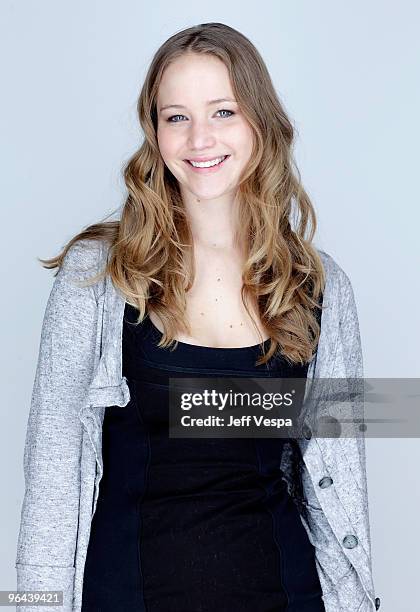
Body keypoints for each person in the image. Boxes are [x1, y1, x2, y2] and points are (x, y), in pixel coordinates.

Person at [15, 22, 380, 612]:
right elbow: (52, 471)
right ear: (154, 131)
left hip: (285, 594)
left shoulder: (322, 285)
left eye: (223, 111)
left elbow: (341, 478)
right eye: (176, 116)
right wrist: (27, 606)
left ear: (261, 122)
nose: (199, 139)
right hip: (127, 595)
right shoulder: (97, 275)